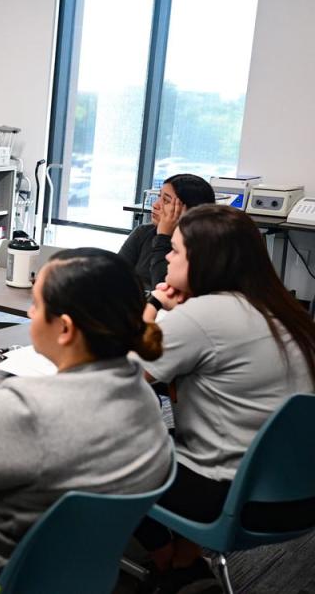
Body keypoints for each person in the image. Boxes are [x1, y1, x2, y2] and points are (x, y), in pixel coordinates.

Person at [0, 248, 173, 584]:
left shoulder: (28, 409)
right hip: (78, 578)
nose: (29, 312)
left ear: (65, 329)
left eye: (37, 305)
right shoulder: (142, 395)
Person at [134, 204, 315, 591]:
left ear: (204, 260)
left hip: (228, 498)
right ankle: (187, 562)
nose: (166, 254)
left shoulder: (202, 316)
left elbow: (117, 375)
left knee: (102, 451)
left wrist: (152, 305)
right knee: (170, 439)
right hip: (293, 494)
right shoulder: (280, 310)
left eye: (176, 250)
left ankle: (168, 566)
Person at [118, 173, 215, 290]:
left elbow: (165, 291)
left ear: (189, 210)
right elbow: (115, 274)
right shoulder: (143, 232)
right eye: (159, 197)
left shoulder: (201, 248)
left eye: (166, 201)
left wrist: (163, 236)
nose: (155, 205)